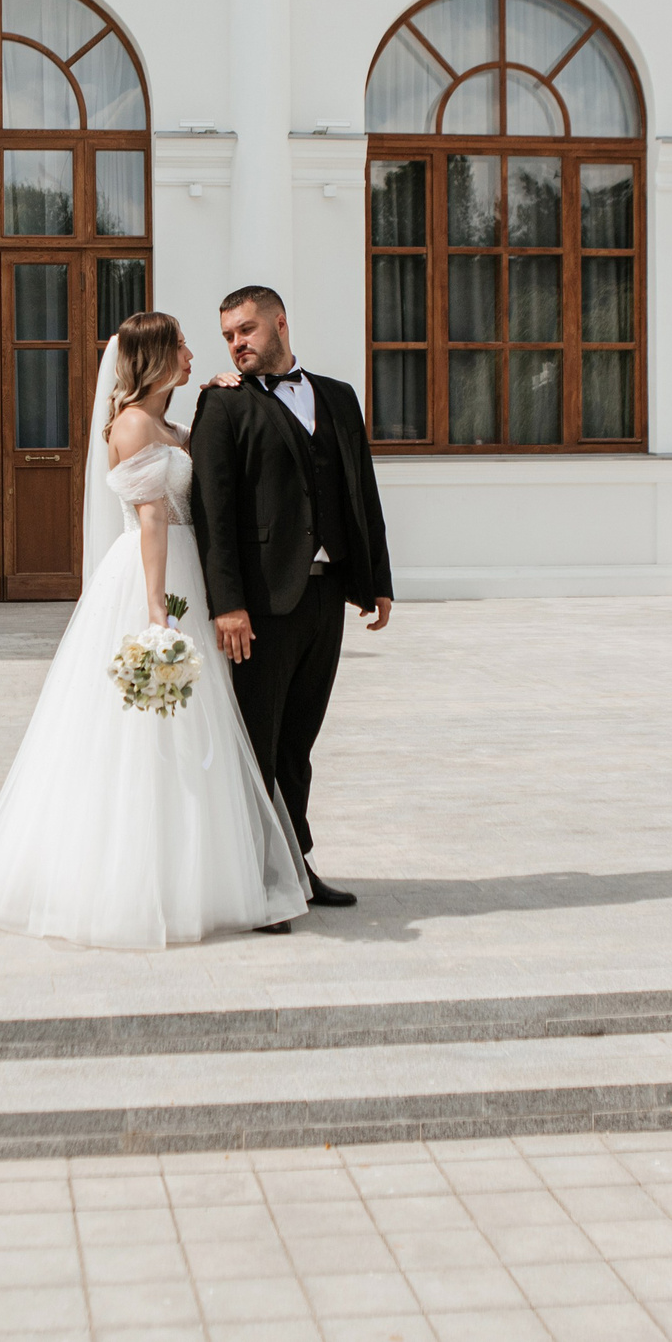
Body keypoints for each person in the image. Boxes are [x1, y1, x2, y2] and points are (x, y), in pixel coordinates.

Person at [0, 311, 310, 949]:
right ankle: (139, 876)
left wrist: (217, 395)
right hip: (155, 579)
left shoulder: (171, 423)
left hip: (186, 573)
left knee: (196, 725)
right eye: (182, 347)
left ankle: (194, 866)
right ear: (155, 357)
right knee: (147, 729)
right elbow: (149, 518)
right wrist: (155, 613)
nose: (195, 354)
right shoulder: (134, 424)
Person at [189, 285, 395, 916]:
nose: (237, 344)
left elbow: (362, 489)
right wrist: (227, 604)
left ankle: (296, 866)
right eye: (228, 336)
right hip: (259, 606)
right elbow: (212, 513)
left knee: (298, 742)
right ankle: (256, 883)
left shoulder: (338, 396)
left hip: (326, 594)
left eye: (246, 329)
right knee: (257, 741)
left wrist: (378, 580)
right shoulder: (222, 407)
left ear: (280, 322)